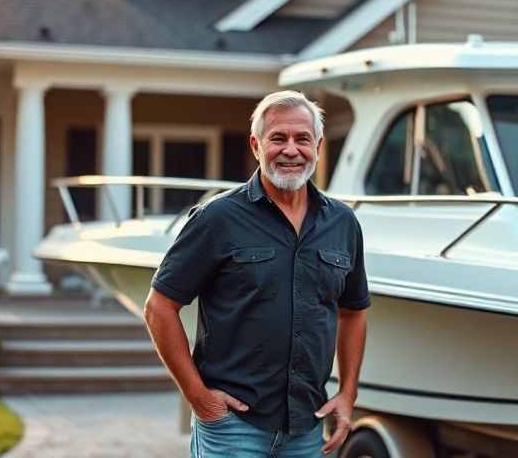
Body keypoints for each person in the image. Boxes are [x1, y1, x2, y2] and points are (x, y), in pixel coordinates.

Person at [144, 90, 370, 457]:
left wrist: (348, 394)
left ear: (319, 146)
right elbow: (159, 308)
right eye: (278, 138)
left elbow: (354, 311)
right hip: (233, 428)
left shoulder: (342, 223)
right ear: (256, 145)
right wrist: (198, 397)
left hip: (306, 427)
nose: (291, 150)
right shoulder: (217, 218)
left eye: (303, 139)